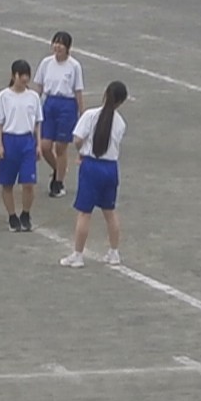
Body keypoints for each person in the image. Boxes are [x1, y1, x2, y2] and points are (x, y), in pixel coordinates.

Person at [59, 80, 127, 268]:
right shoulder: (120, 123)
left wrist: (81, 153)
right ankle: (114, 252)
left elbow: (78, 139)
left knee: (84, 213)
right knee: (110, 211)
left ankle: (78, 254)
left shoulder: (90, 115)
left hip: (92, 167)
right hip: (111, 168)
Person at [0, 58, 42, 232]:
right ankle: (12, 216)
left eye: (27, 76)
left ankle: (25, 214)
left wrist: (38, 144)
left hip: (27, 141)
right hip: (9, 140)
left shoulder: (33, 97)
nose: (25, 79)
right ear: (14, 76)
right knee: (7, 183)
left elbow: (37, 122)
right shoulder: (4, 96)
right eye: (21, 75)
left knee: (28, 182)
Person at [37, 31, 83, 201]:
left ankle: (58, 182)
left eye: (61, 44)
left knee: (60, 147)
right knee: (45, 146)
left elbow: (78, 90)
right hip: (49, 103)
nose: (57, 46)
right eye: (55, 42)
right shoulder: (46, 63)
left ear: (68, 47)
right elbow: (39, 87)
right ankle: (59, 169)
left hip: (67, 105)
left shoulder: (74, 66)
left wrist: (82, 113)